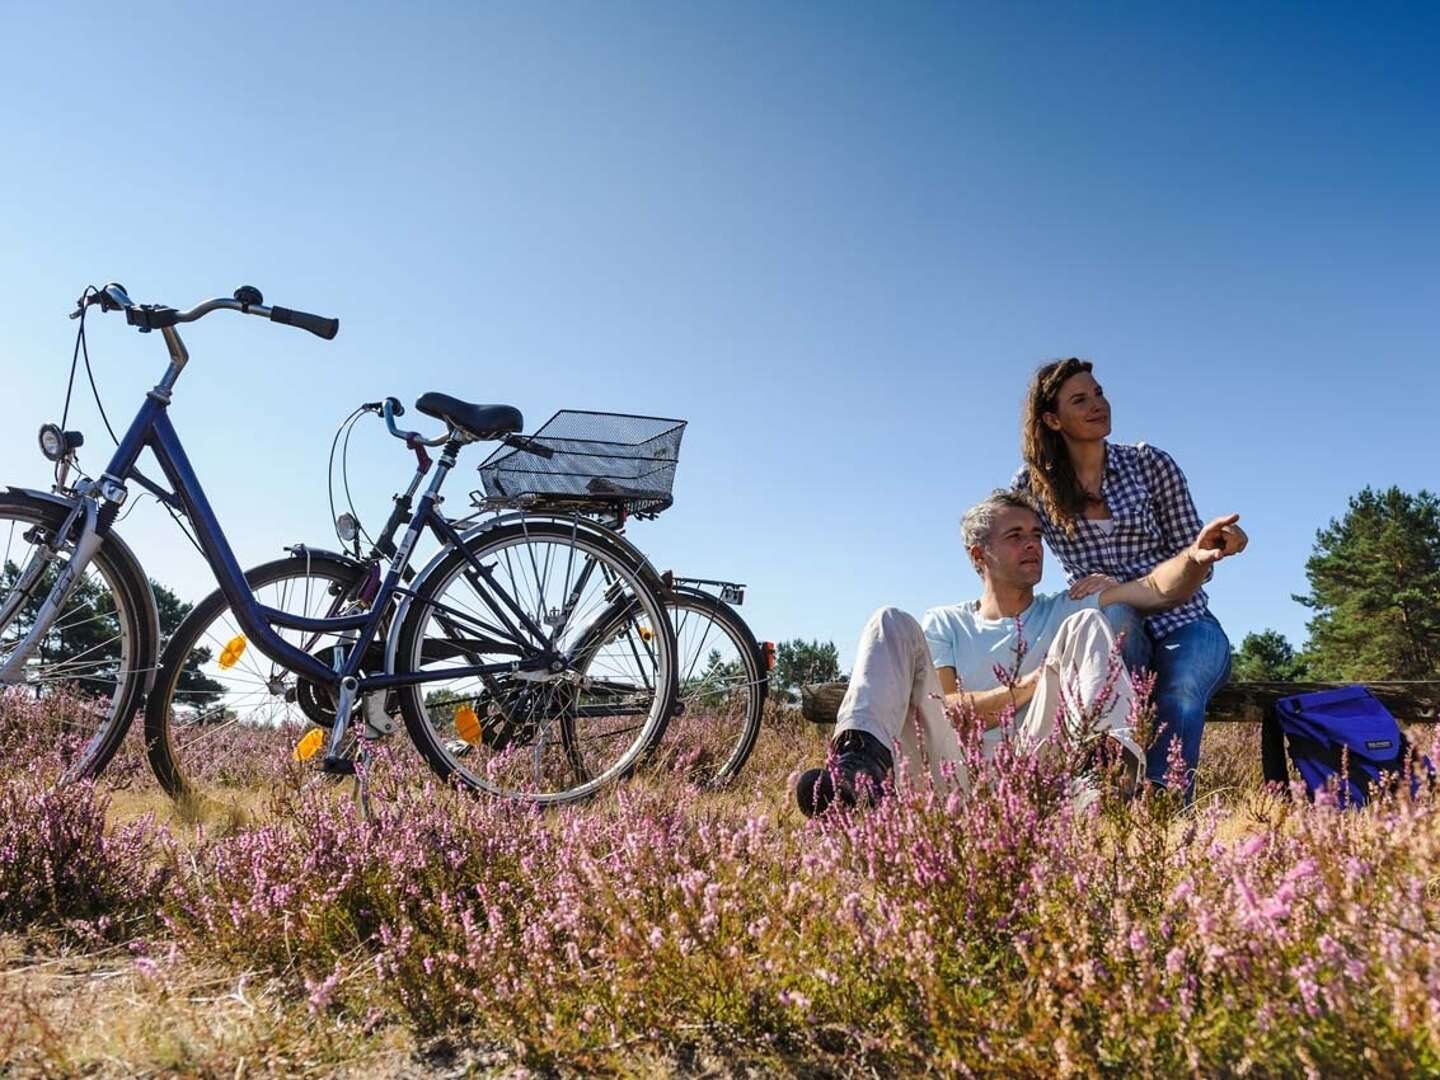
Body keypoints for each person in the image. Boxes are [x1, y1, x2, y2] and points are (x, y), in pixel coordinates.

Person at [795, 490, 1245, 816]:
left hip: (1039, 769)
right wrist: (1030, 686)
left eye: (1036, 535)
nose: (1033, 544)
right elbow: (947, 710)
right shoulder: (945, 623)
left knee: (1090, 624)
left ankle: (1105, 785)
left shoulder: (1066, 608)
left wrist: (1195, 556)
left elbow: (1153, 590)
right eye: (1015, 536)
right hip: (954, 775)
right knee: (888, 620)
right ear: (979, 555)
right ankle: (856, 772)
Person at [1012, 358, 1247, 794]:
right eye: (1079, 399)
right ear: (1052, 418)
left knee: (1179, 689)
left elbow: (1193, 556)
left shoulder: (1149, 464)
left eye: (1098, 393)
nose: (1097, 404)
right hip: (1111, 627)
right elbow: (1005, 544)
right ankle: (1111, 792)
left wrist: (1213, 546)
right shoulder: (1032, 487)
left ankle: (1165, 803)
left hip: (1184, 618)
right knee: (1115, 616)